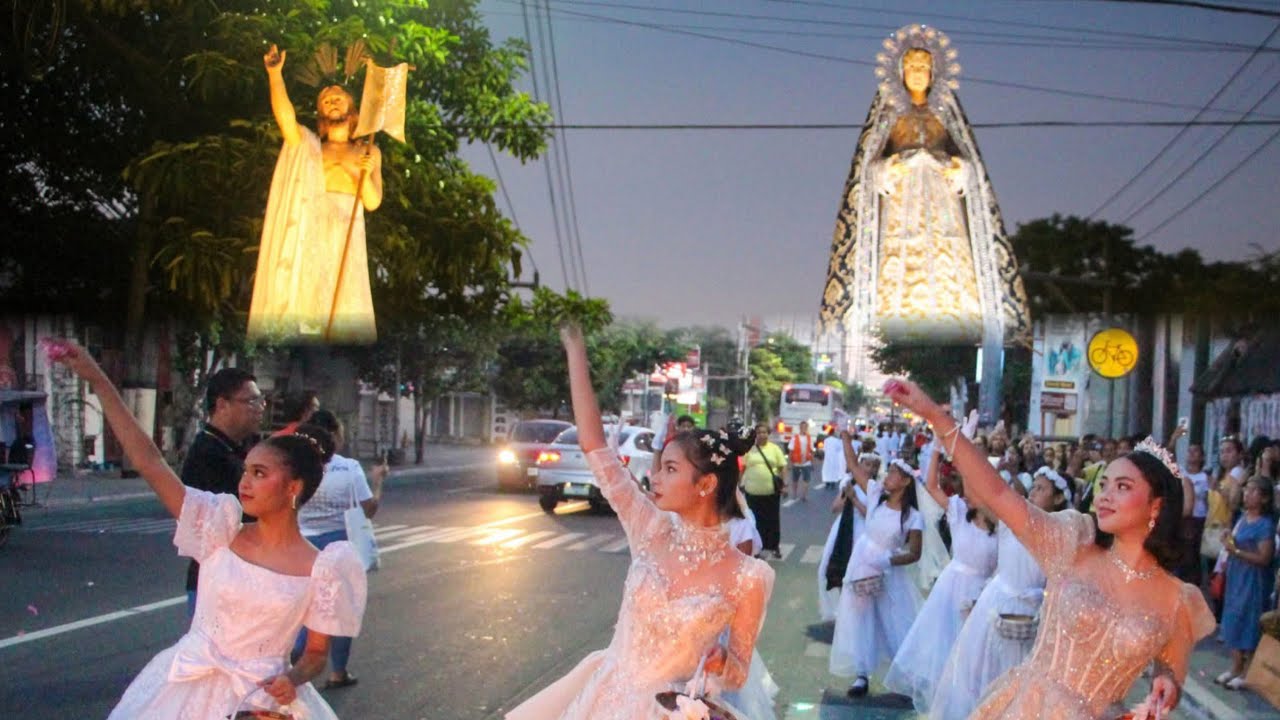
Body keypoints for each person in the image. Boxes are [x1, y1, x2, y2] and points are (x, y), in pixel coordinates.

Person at [46, 340, 366, 719]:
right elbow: (148, 460)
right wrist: (96, 377)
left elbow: (315, 654)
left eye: (259, 474)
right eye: (246, 470)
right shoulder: (219, 527)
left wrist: (292, 679)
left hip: (262, 701)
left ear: (293, 487)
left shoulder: (325, 567)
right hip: (184, 690)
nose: (245, 482)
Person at [885, 377, 1215, 720]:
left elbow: (1171, 670)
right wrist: (937, 418)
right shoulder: (1074, 542)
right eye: (1104, 485)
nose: (1105, 496)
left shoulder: (1179, 599)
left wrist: (1167, 681)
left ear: (1156, 507)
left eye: (1122, 486)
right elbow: (998, 494)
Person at [505, 327, 774, 719]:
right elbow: (596, 448)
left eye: (669, 469)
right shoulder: (651, 528)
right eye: (656, 468)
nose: (655, 478)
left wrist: (720, 662)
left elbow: (738, 672)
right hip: (603, 701)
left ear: (706, 483)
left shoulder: (749, 577)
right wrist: (575, 350)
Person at [249, 44, 382, 343]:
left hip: (348, 230)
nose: (332, 102)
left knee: (346, 300)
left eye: (338, 98)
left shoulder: (368, 150)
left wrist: (362, 172)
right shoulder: (310, 148)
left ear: (351, 108)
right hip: (312, 230)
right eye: (326, 100)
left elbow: (372, 203)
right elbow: (286, 120)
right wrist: (274, 76)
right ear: (320, 111)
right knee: (308, 300)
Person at [928, 467, 1063, 720]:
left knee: (1016, 678)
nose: (1034, 492)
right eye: (1033, 486)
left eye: (1041, 489)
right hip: (994, 605)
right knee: (978, 670)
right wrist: (962, 454)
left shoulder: (1057, 535)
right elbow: (979, 495)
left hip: (1031, 614)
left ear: (1058, 499)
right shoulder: (1009, 523)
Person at [884, 442, 997, 714]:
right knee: (944, 655)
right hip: (950, 591)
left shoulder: (1002, 524)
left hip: (982, 596)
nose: (966, 490)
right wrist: (936, 448)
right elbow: (932, 485)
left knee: (973, 662)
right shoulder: (958, 510)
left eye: (972, 484)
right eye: (965, 483)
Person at [292, 409, 386, 689]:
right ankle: (338, 671)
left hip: (303, 545)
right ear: (333, 436)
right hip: (341, 545)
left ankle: (295, 658)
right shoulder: (349, 468)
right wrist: (379, 481)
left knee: (304, 607)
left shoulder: (295, 467)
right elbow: (368, 509)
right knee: (341, 610)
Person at [829, 456, 924, 697]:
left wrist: (887, 561)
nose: (886, 477)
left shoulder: (913, 516)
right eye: (888, 472)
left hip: (889, 573)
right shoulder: (875, 497)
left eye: (893, 473)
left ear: (904, 482)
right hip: (861, 565)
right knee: (861, 618)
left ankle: (906, 675)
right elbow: (851, 463)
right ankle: (861, 675)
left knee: (894, 620)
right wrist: (845, 434)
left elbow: (914, 553)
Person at [180, 367, 263, 616]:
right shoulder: (207, 454)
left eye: (262, 400)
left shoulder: (243, 448)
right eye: (251, 401)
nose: (260, 408)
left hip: (250, 576)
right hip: (218, 584)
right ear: (222, 405)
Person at [1215, 477, 1277, 689]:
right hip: (1236, 574)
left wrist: (1237, 551)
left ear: (1265, 498)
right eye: (1247, 490)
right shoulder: (1242, 517)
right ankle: (1235, 667)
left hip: (1254, 579)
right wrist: (1228, 540)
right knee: (1233, 617)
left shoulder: (1265, 525)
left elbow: (1264, 558)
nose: (1247, 494)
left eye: (1253, 491)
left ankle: (1248, 671)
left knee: (1250, 620)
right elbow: (1235, 543)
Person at [817, 440, 880, 621]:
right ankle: (839, 608)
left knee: (856, 572)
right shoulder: (848, 482)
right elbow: (834, 508)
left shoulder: (875, 488)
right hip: (843, 528)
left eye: (873, 466)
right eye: (866, 464)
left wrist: (855, 499)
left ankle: (857, 611)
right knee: (827, 568)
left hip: (862, 532)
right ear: (859, 464)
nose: (869, 469)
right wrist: (846, 496)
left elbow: (872, 515)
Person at [742, 423, 788, 559]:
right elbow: (743, 468)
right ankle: (756, 550)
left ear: (769, 434)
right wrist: (737, 484)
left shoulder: (775, 449)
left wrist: (784, 485)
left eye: (764, 432)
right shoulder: (749, 450)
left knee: (772, 520)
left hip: (771, 492)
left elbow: (782, 467)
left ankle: (774, 546)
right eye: (759, 432)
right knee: (754, 521)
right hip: (752, 492)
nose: (762, 435)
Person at [788, 421, 816, 502]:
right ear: (800, 428)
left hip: (806, 462)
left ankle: (804, 496)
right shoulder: (795, 438)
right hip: (796, 462)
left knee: (806, 479)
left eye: (805, 427)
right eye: (802, 427)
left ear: (807, 428)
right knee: (795, 479)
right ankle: (794, 494)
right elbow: (791, 450)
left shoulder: (809, 438)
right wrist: (789, 463)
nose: (804, 429)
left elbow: (812, 450)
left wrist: (812, 462)